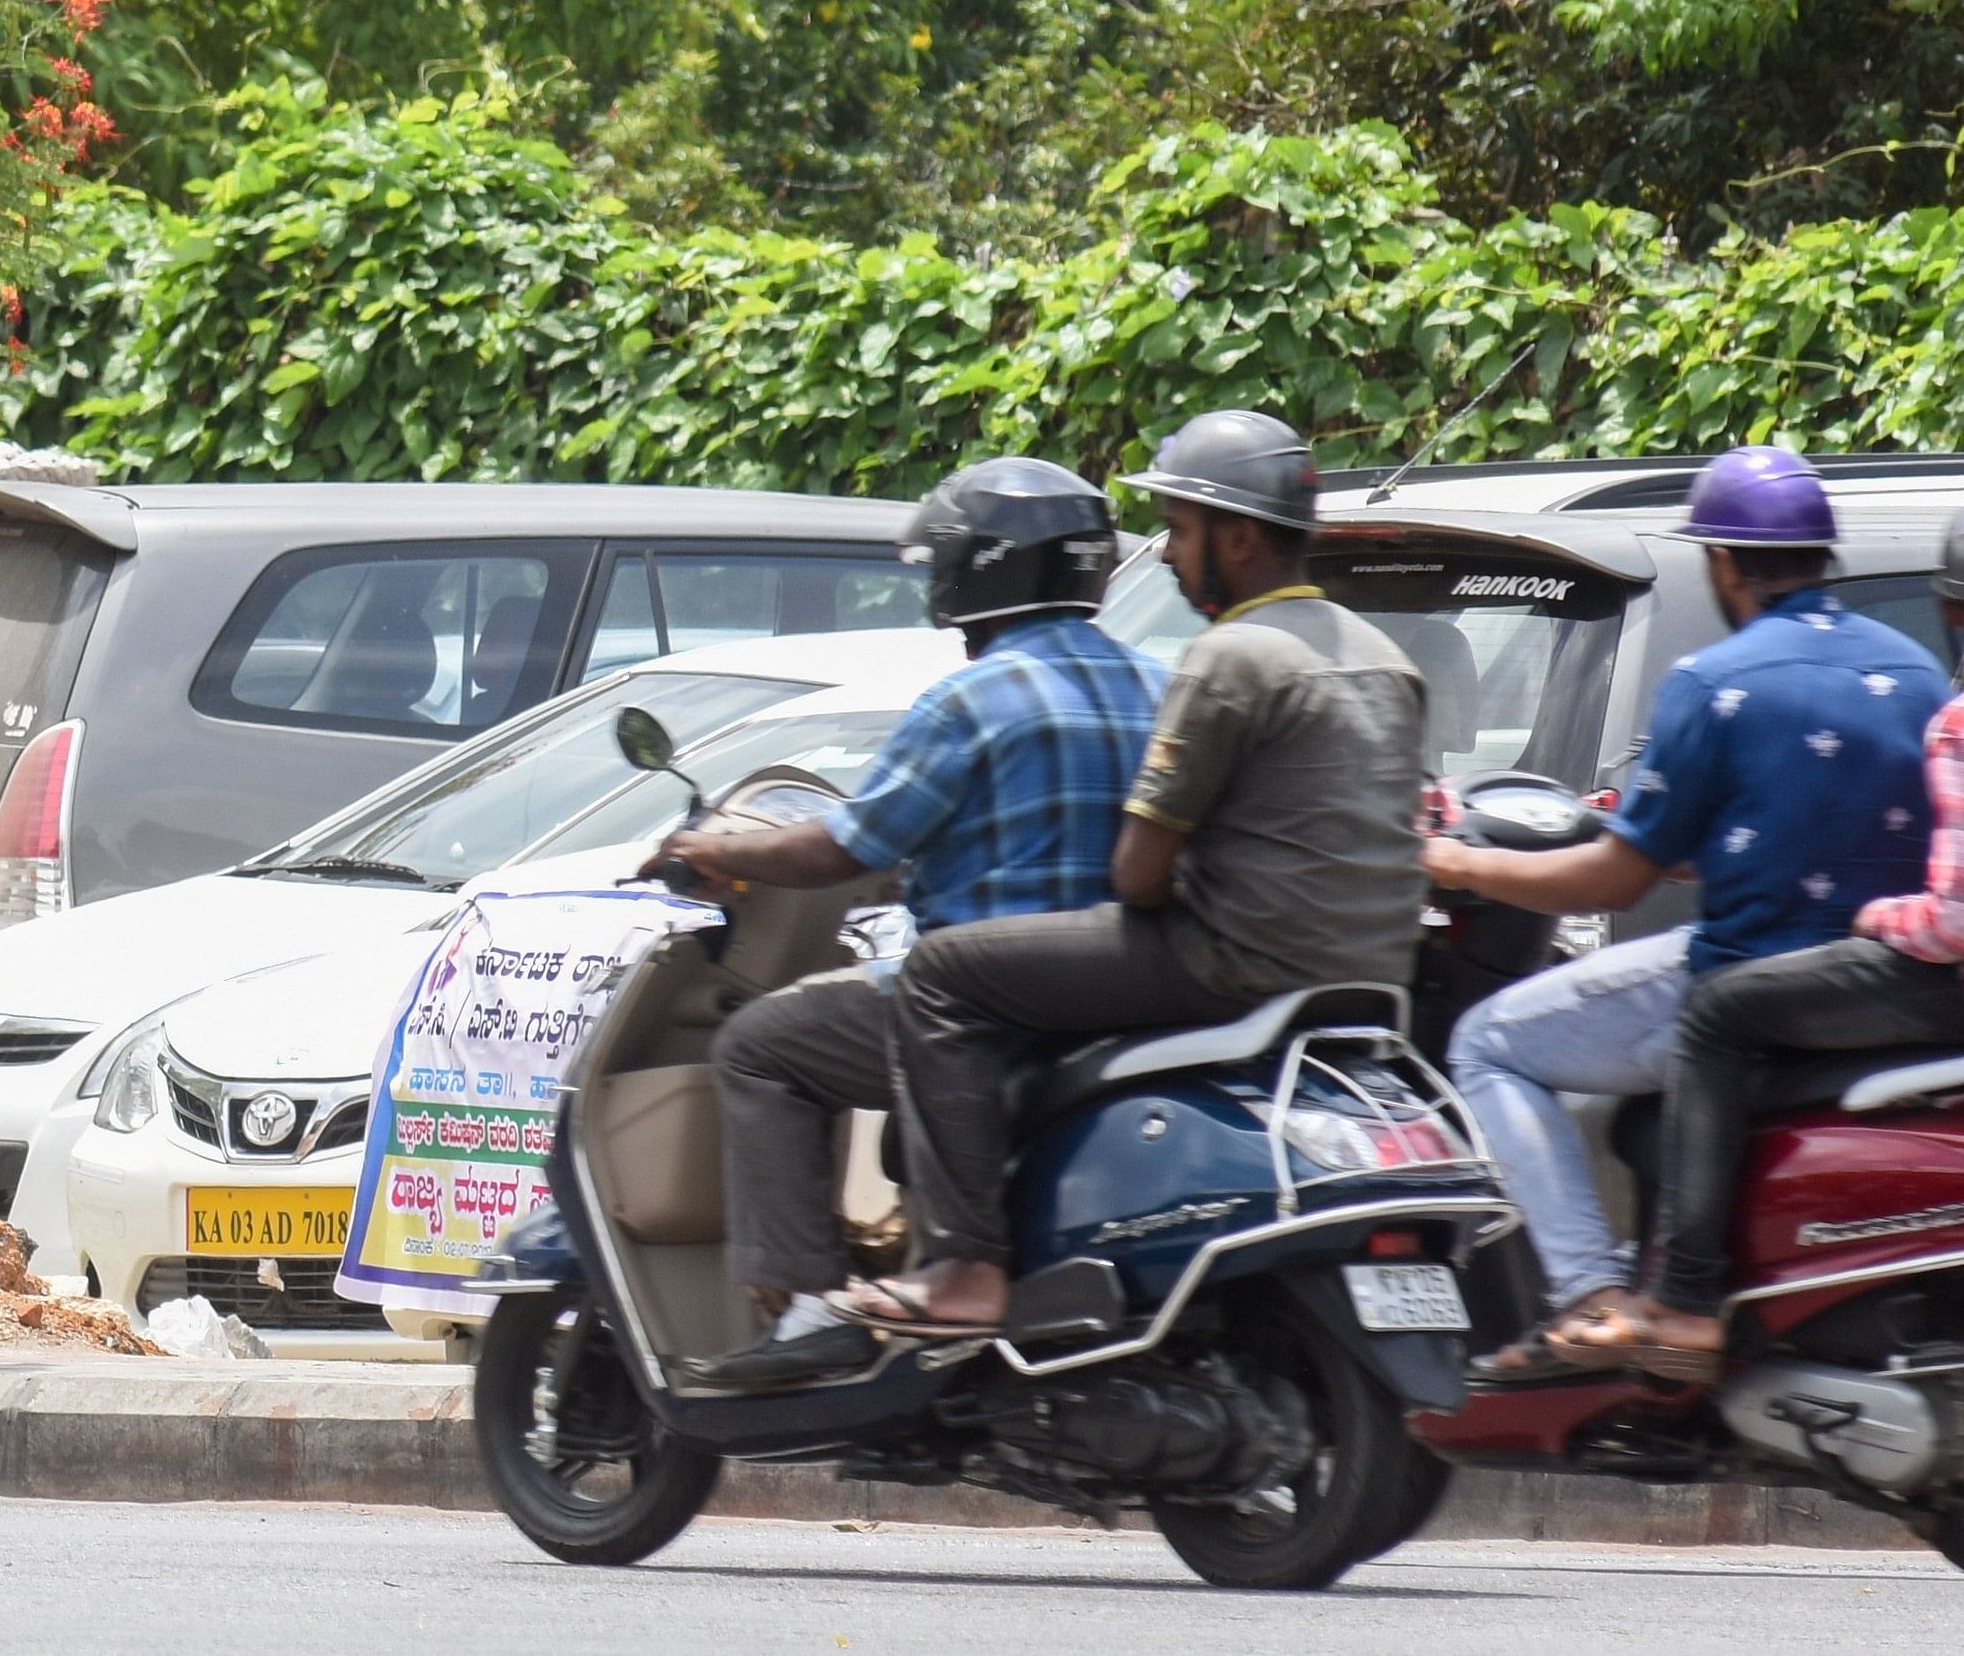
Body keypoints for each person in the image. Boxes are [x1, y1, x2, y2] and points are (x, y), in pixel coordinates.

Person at [839, 409, 1431, 1338]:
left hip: (1227, 961)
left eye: (1181, 531)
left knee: (940, 973)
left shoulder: (1230, 656)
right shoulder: (1386, 658)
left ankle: (963, 1267)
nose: (1164, 557)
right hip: (1369, 975)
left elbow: (1138, 871)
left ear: (1236, 539)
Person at [1424, 451, 1945, 1382]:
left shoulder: (1712, 683)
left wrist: (1456, 859)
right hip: (1883, 980)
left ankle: (1591, 1298)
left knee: (1485, 1042)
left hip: (1745, 971)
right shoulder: (1913, 673)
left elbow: (1611, 881)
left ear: (1724, 565)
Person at [669, 459, 1170, 1388]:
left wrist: (717, 852)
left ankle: (809, 1307)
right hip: (1127, 991)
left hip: (986, 1006)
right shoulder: (1161, 682)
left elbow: (845, 847)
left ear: (976, 569)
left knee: (760, 1046)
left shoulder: (971, 698)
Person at [1573, 507, 1964, 1384]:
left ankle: (1683, 1297)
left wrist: (1883, 918)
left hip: (1939, 979)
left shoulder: (1954, 721)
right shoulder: (1915, 686)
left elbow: (1950, 921)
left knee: (1714, 1014)